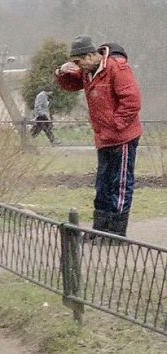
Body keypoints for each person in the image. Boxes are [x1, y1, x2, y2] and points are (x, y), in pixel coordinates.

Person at [55, 36, 142, 236]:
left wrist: (115, 126)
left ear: (90, 55)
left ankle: (116, 232)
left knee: (119, 183)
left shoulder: (116, 68)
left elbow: (132, 101)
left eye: (78, 62)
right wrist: (61, 72)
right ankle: (100, 229)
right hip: (104, 138)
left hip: (123, 137)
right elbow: (69, 85)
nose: (78, 67)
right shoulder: (88, 72)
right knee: (102, 183)